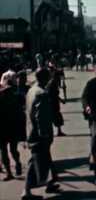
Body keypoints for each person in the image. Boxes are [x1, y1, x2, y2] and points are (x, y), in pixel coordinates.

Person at [21, 68, 61, 199]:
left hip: (31, 130)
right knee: (34, 161)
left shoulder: (31, 90)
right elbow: (40, 116)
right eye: (48, 77)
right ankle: (26, 192)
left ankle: (50, 183)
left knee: (46, 157)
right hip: (39, 134)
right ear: (45, 78)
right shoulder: (41, 93)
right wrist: (44, 134)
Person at [0, 71, 23, 181]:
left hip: (7, 127)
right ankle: (13, 167)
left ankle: (13, 168)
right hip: (8, 127)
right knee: (9, 150)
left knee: (8, 150)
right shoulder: (14, 96)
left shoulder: (11, 97)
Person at [47, 69, 66, 137]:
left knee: (57, 117)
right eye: (58, 77)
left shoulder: (53, 82)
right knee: (55, 117)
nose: (59, 78)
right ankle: (54, 132)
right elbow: (53, 94)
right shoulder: (52, 83)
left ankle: (59, 131)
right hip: (52, 103)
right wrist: (61, 100)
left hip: (54, 102)